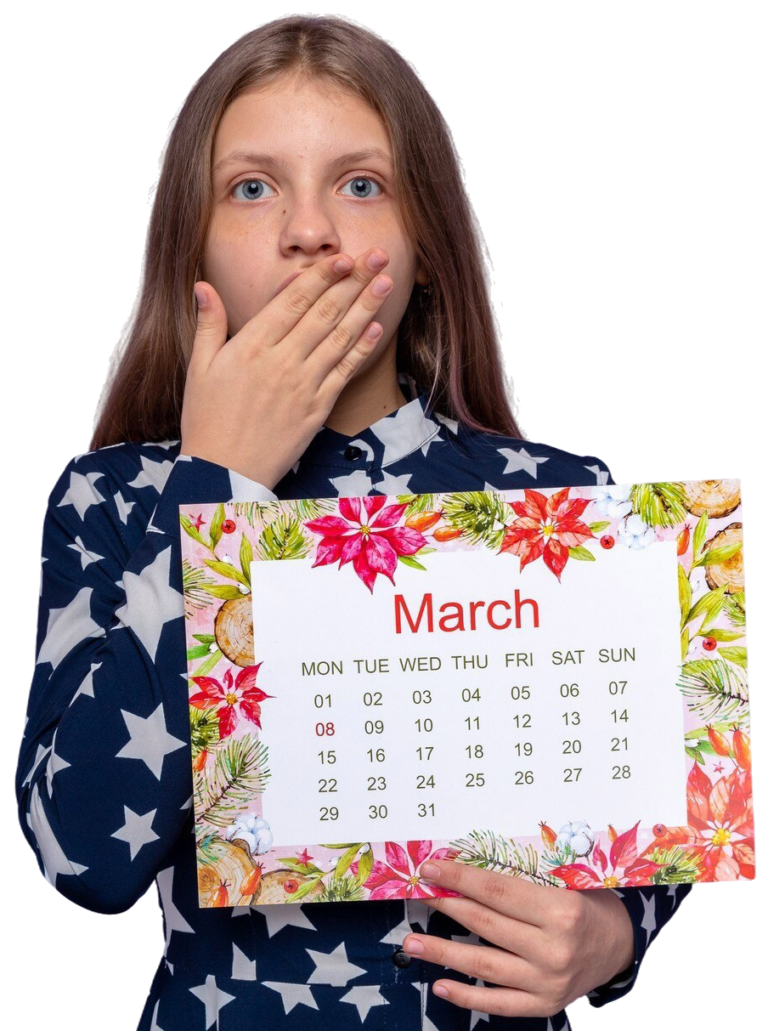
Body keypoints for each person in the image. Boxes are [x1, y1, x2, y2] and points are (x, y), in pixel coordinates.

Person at [16, 15, 693, 1031]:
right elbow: (83, 857)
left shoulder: (557, 503)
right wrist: (224, 481)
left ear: (422, 236)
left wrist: (616, 933)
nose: (309, 230)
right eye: (253, 187)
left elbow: (661, 825)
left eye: (360, 184)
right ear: (190, 241)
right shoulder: (111, 500)